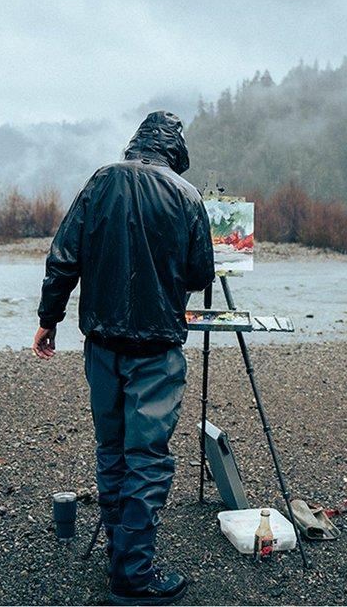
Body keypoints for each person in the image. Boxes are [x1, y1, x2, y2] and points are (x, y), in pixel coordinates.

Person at [33, 110, 215, 605]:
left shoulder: (100, 181)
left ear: (135, 144)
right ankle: (132, 575)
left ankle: (121, 553)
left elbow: (63, 257)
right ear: (174, 152)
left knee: (111, 450)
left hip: (103, 347)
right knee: (147, 459)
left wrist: (49, 319)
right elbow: (200, 273)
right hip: (156, 351)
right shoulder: (186, 195)